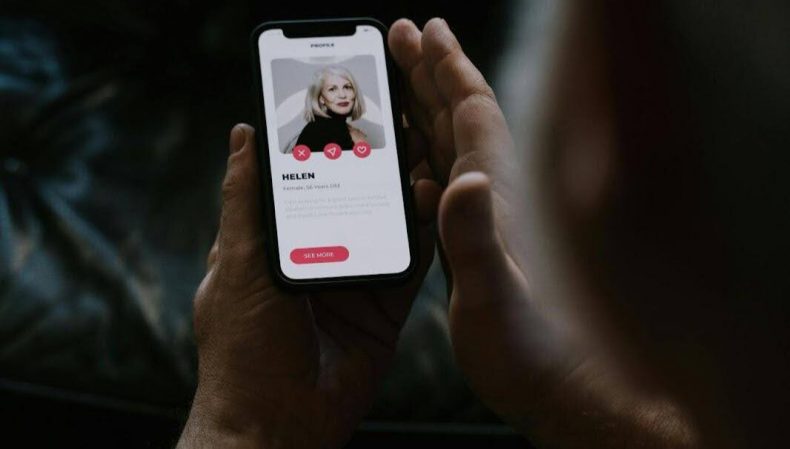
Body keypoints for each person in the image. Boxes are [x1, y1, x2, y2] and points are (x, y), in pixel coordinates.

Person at [177, 4, 789, 448]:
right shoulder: (315, 135)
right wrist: (560, 386)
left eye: (347, 86)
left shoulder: (364, 132)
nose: (340, 94)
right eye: (331, 87)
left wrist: (240, 427)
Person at [294, 65, 369, 152]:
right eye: (332, 89)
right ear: (321, 98)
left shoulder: (339, 127)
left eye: (347, 87)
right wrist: (360, 142)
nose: (342, 95)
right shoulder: (319, 130)